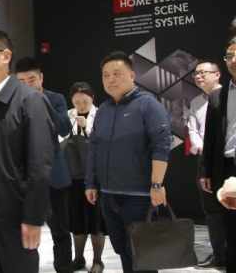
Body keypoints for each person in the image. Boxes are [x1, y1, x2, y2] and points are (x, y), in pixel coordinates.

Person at [0, 30, 55, 273]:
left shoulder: (29, 100)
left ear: (6, 56)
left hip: (13, 210)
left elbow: (40, 165)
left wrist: (33, 217)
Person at [85, 51, 171, 273]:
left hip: (139, 197)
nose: (110, 79)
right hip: (108, 195)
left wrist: (157, 184)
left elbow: (161, 146)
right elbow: (94, 147)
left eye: (117, 74)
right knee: (123, 250)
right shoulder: (103, 110)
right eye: (106, 75)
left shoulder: (148, 105)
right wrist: (91, 183)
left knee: (142, 254)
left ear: (132, 75)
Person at [15, 57, 73, 273]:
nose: (27, 85)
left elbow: (64, 128)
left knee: (60, 229)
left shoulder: (55, 98)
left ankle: (64, 267)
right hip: (24, 176)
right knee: (26, 230)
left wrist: (42, 101)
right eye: (21, 82)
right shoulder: (13, 102)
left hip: (54, 174)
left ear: (41, 78)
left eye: (31, 80)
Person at [201, 37, 236, 273]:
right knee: (231, 230)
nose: (233, 60)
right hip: (227, 170)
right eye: (229, 56)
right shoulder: (217, 96)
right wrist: (206, 170)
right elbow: (210, 137)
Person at [188, 61, 225, 268]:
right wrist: (203, 149)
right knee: (212, 210)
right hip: (205, 160)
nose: (198, 76)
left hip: (227, 159)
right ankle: (219, 255)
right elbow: (192, 129)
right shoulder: (196, 102)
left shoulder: (228, 96)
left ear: (217, 74)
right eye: (196, 73)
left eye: (203, 72)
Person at [66, 82, 106, 273]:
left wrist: (86, 127)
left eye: (85, 101)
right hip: (74, 176)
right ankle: (79, 258)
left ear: (92, 99)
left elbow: (104, 142)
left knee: (96, 221)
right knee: (77, 220)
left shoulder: (101, 115)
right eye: (77, 101)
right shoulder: (68, 115)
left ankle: (98, 261)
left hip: (96, 177)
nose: (81, 105)